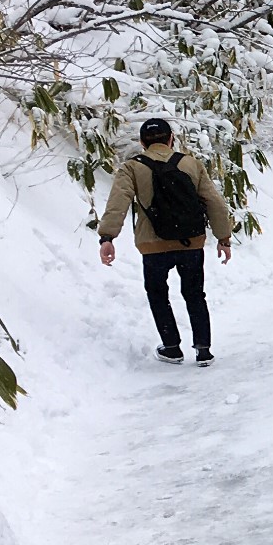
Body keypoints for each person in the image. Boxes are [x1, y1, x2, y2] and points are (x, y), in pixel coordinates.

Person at [98, 117, 234, 364]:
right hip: (190, 242)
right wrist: (223, 238)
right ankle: (203, 350)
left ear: (142, 142)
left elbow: (118, 202)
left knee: (158, 294)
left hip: (153, 245)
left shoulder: (132, 167)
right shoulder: (191, 164)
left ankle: (172, 347)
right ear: (171, 138)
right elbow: (214, 202)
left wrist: (107, 237)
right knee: (195, 294)